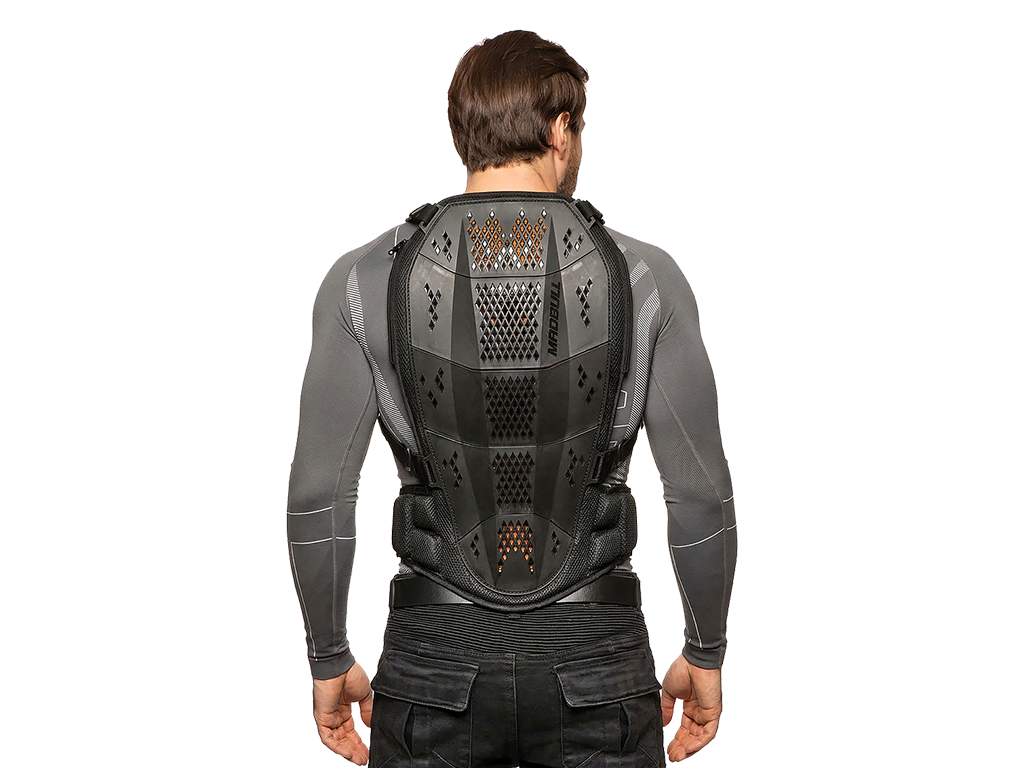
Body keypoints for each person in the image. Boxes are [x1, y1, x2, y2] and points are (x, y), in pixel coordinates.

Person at [286, 29, 737, 767]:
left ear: (464, 133)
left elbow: (316, 495)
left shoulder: (365, 278)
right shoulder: (645, 277)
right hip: (594, 659)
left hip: (435, 662)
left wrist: (330, 657)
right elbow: (701, 494)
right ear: (561, 129)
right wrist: (705, 651)